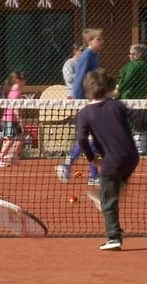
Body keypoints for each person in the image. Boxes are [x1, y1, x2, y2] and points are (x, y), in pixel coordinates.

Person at [78, 69, 147, 250]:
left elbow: (81, 139)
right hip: (132, 157)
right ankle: (106, 195)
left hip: (111, 160)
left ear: (87, 91)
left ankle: (114, 237)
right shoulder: (117, 105)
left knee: (108, 201)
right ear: (107, 88)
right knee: (117, 185)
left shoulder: (85, 113)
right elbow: (140, 120)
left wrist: (93, 159)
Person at [56, 28, 104, 186]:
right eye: (98, 39)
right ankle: (69, 166)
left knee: (94, 138)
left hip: (93, 100)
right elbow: (79, 79)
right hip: (84, 101)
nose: (101, 42)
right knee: (93, 138)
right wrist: (78, 101)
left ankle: (91, 174)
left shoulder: (94, 56)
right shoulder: (87, 56)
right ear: (90, 42)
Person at [116, 44, 147, 154]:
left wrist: (116, 92)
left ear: (138, 54)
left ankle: (129, 148)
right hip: (144, 100)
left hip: (130, 100)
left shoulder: (131, 66)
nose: (130, 56)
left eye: (132, 53)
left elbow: (125, 82)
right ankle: (140, 149)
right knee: (139, 124)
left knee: (128, 124)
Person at [0, 70, 26, 168]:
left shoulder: (16, 90)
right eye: (22, 79)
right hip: (9, 119)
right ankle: (0, 158)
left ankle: (12, 156)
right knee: (9, 139)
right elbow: (15, 108)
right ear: (17, 80)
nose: (25, 81)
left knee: (20, 138)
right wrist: (20, 120)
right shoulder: (16, 91)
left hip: (13, 119)